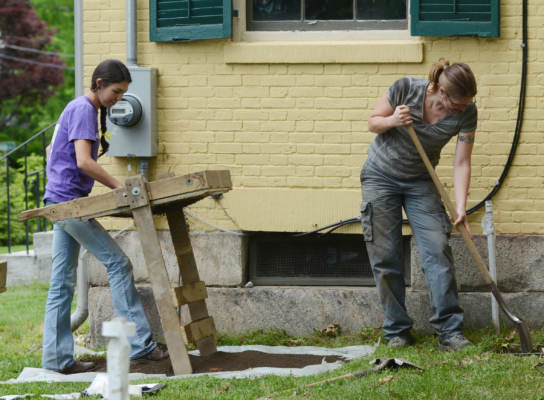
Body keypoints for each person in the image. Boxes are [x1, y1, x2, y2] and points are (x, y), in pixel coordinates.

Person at [42, 59, 168, 373]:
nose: (119, 98)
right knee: (119, 263)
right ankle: (140, 345)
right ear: (99, 83)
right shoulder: (85, 109)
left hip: (60, 201)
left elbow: (50, 150)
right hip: (70, 205)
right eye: (116, 91)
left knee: (61, 283)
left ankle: (56, 361)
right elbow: (84, 162)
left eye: (123, 93)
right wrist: (120, 187)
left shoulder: (80, 109)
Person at [361, 59, 477, 351]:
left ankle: (449, 331)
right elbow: (373, 121)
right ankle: (397, 331)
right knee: (386, 256)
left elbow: (462, 161)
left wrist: (460, 207)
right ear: (439, 89)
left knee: (437, 249)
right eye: (457, 104)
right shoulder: (405, 89)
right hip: (380, 177)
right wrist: (393, 121)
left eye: (466, 105)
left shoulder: (467, 113)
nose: (461, 110)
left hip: (420, 182)